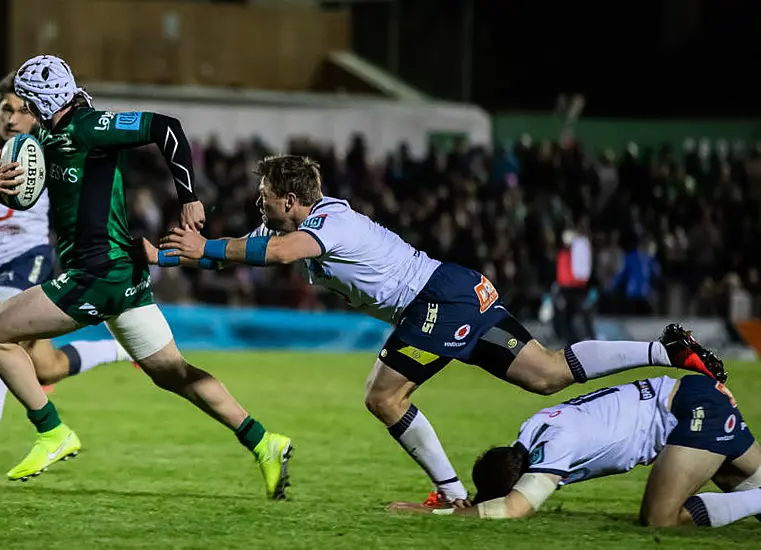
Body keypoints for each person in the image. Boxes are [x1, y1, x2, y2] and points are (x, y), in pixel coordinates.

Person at [156, 154, 727, 507]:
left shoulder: (326, 222)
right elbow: (263, 249)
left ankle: (452, 495)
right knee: (548, 374)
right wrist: (172, 256)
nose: (260, 209)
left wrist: (206, 246)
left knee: (382, 397)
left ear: (291, 200)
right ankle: (665, 348)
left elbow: (276, 252)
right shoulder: (319, 223)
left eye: (264, 201)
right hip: (453, 289)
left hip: (437, 301)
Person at [0, 55, 292, 499]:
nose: (21, 111)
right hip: (122, 273)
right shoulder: (48, 136)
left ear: (43, 99)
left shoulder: (91, 126)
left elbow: (166, 127)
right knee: (174, 374)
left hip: (98, 274)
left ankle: (51, 432)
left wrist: (189, 198)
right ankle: (264, 442)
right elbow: (31, 193)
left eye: (26, 102)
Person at [0, 72, 133, 477]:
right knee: (45, 366)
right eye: (7, 109)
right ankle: (124, 350)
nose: (14, 118)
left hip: (31, 256)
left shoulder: (47, 147)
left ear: (35, 114)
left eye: (24, 110)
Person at [449, 374, 761, 527]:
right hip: (691, 395)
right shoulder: (532, 429)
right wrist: (475, 503)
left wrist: (446, 513)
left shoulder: (557, 446)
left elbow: (514, 509)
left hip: (689, 412)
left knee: (659, 518)